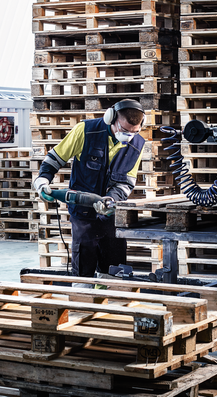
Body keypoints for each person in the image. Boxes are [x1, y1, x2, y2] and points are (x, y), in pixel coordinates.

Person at [33, 99, 146, 277]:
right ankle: (82, 293)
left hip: (111, 216)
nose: (128, 136)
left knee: (114, 269)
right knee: (83, 268)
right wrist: (42, 181)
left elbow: (126, 182)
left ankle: (107, 293)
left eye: (134, 132)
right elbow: (55, 158)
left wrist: (110, 200)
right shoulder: (85, 131)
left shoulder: (137, 144)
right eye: (124, 130)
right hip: (83, 215)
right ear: (111, 118)